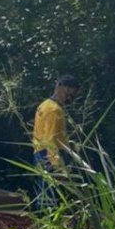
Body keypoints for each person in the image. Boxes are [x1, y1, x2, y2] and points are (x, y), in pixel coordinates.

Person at [31, 73, 80, 209]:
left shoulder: (44, 105)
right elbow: (51, 140)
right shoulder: (55, 110)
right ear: (63, 87)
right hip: (50, 155)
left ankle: (41, 225)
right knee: (50, 198)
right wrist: (58, 166)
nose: (71, 97)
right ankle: (46, 227)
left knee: (43, 195)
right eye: (71, 92)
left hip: (39, 153)